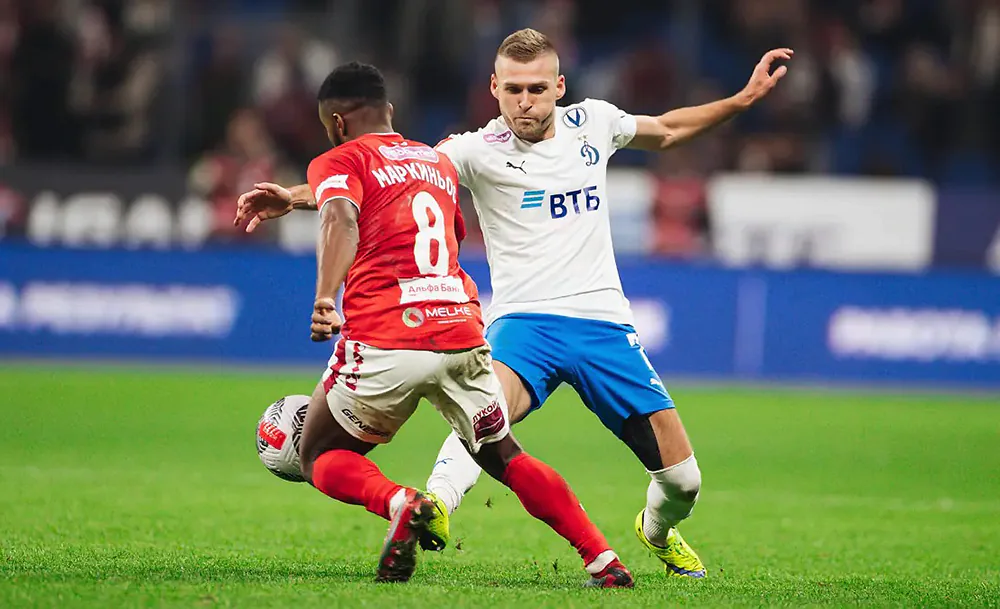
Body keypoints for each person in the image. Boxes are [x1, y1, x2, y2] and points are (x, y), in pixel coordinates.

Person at [236, 30, 792, 579]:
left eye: (537, 89)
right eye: (514, 90)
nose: (525, 102)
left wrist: (742, 100)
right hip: (524, 323)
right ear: (494, 88)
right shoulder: (472, 150)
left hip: (603, 324)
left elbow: (668, 129)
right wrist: (296, 197)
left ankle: (657, 530)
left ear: (559, 88)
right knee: (483, 426)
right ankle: (435, 506)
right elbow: (386, 180)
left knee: (683, 482)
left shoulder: (595, 123)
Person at [280, 61, 633, 587]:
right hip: (460, 331)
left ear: (335, 123)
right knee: (504, 455)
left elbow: (340, 215)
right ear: (389, 111)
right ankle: (604, 559)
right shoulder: (436, 163)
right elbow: (444, 233)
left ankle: (400, 502)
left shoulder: (340, 157)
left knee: (320, 453)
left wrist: (326, 297)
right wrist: (293, 198)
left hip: (387, 336)